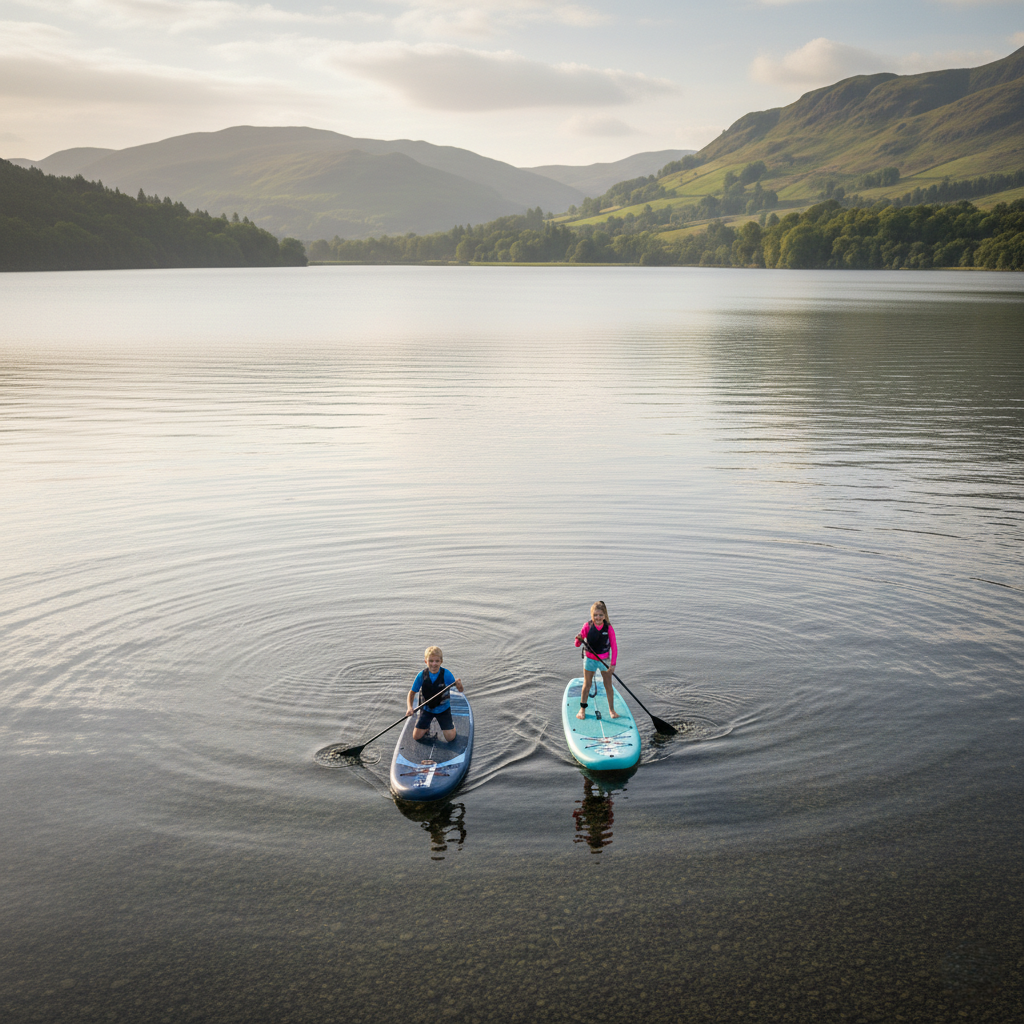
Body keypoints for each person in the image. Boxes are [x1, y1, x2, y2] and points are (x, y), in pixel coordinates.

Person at [407, 646, 464, 742]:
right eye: (431, 661)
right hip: (426, 709)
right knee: (416, 737)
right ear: (426, 661)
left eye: (437, 661)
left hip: (443, 709)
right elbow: (412, 693)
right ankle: (426, 727)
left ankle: (451, 726)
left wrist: (459, 685)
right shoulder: (421, 675)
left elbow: (460, 690)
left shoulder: (447, 674)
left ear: (441, 661)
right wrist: (409, 707)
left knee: (450, 738)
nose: (434, 664)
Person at [573, 601, 618, 720]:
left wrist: (613, 664)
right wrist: (578, 639)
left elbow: (614, 647)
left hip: (604, 661)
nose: (598, 617)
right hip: (590, 660)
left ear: (605, 615)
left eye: (601, 615)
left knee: (608, 685)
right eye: (595, 615)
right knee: (587, 684)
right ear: (592, 615)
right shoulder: (587, 626)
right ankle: (582, 709)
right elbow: (577, 644)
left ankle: (611, 710)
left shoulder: (609, 628)